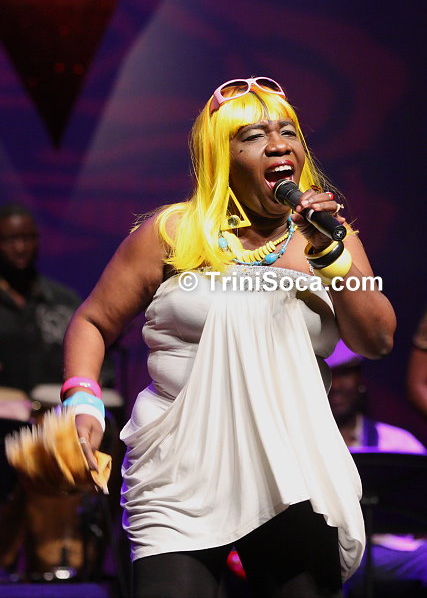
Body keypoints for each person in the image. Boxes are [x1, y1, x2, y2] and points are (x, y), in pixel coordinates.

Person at [63, 76, 396, 598]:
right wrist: (82, 400)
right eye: (254, 136)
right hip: (180, 466)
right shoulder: (173, 233)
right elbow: (94, 321)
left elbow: (377, 338)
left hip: (290, 464)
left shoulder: (331, 235)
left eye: (288, 131)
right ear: (222, 154)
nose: (278, 144)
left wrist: (330, 254)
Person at [0, 203, 117, 579]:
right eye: (10, 239)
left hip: (61, 426)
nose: (20, 247)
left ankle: (76, 561)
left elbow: (99, 368)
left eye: (27, 238)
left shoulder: (64, 302)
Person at [327, 340, 427, 597]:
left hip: (394, 553)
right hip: (328, 553)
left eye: (344, 374)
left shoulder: (398, 442)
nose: (337, 386)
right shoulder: (302, 446)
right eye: (329, 376)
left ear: (360, 379)